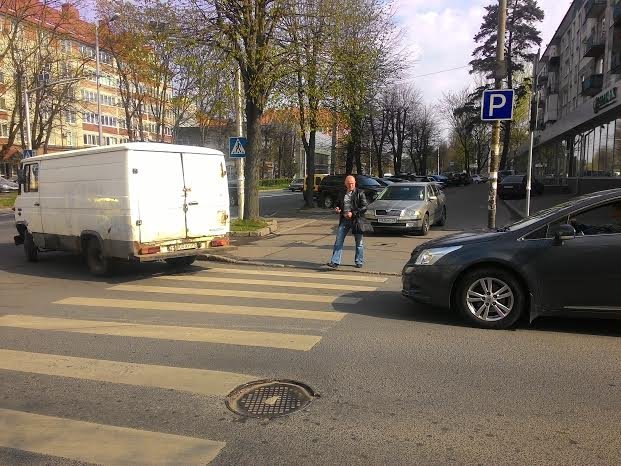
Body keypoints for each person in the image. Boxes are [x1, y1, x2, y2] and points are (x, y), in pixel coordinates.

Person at [327, 175, 368, 269]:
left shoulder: (360, 193)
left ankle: (359, 261)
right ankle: (335, 262)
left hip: (356, 221)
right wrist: (337, 208)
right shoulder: (342, 193)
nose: (350, 185)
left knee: (359, 243)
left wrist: (353, 213)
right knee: (338, 241)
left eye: (352, 184)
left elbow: (364, 207)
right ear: (345, 184)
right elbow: (337, 203)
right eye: (349, 184)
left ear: (355, 183)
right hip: (344, 220)